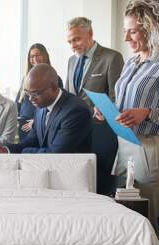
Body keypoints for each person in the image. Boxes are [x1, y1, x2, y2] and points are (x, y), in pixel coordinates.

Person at [95, 0, 159, 231]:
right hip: (123, 147)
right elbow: (126, 105)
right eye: (125, 30)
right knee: (124, 220)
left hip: (149, 151)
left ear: (152, 30)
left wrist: (148, 113)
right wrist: (108, 109)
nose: (126, 38)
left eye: (132, 31)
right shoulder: (132, 62)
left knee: (144, 224)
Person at [65, 17, 124, 195]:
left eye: (76, 39)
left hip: (101, 131)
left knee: (101, 183)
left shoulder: (111, 57)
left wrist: (106, 110)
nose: (73, 45)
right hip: (75, 131)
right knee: (79, 183)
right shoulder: (71, 60)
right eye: (69, 41)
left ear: (90, 34)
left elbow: (117, 98)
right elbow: (69, 94)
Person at [0, 63, 92, 154]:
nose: (31, 99)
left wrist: (25, 152)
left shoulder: (75, 111)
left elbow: (56, 154)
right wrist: (7, 150)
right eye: (28, 93)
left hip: (70, 170)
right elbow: (32, 141)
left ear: (53, 87)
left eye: (36, 93)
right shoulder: (40, 107)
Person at [15, 43, 63, 142]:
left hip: (40, 124)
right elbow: (18, 103)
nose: (35, 58)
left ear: (45, 56)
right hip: (23, 126)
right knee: (24, 153)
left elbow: (57, 107)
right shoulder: (25, 79)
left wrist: (36, 121)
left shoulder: (55, 79)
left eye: (38, 55)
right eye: (32, 56)